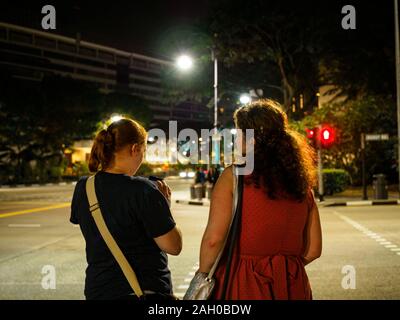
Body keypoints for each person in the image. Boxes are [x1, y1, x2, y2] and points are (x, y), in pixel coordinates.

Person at [198, 99, 322, 300]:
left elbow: (213, 240)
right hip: (293, 283)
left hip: (243, 282)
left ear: (252, 139)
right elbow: (314, 249)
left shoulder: (234, 177)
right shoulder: (300, 183)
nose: (236, 141)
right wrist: (280, 267)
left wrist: (202, 276)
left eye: (239, 134)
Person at [70, 118, 182, 300]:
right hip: (142, 292)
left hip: (98, 291)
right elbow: (173, 246)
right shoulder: (144, 190)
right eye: (143, 151)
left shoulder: (84, 187)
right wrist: (164, 206)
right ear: (134, 149)